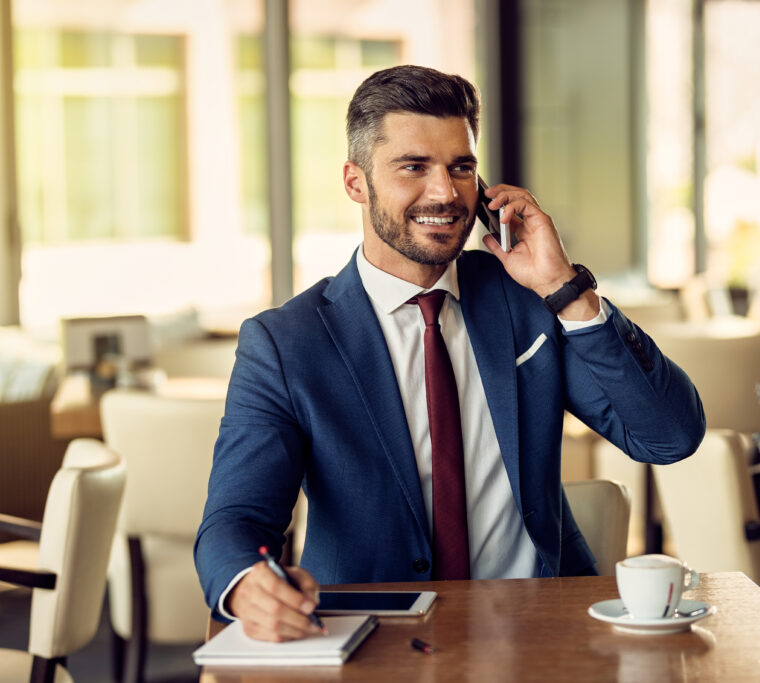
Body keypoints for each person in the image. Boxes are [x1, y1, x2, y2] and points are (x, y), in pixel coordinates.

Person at [194, 65, 705, 642]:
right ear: (356, 182)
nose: (444, 192)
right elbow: (235, 518)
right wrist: (246, 584)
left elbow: (669, 436)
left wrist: (567, 289)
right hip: (372, 637)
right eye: (414, 166)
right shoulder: (286, 343)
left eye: (461, 167)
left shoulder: (528, 300)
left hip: (542, 633)